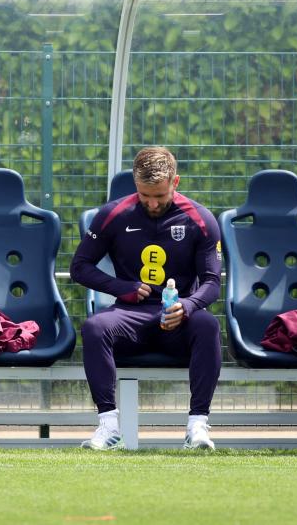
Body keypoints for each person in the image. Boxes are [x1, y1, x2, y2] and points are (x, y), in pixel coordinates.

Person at [71, 147, 222, 450]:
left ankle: (198, 427)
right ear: (135, 186)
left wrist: (188, 306)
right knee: (94, 327)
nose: (152, 203)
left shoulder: (201, 219)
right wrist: (120, 287)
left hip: (177, 319)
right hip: (130, 316)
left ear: (175, 182)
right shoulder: (113, 214)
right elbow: (79, 267)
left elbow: (212, 283)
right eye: (144, 196)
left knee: (207, 325)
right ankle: (108, 427)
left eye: (160, 196)